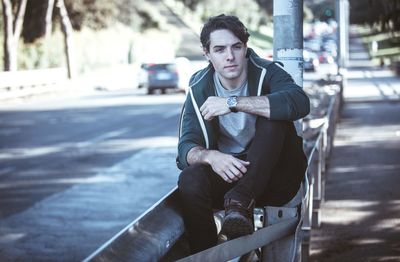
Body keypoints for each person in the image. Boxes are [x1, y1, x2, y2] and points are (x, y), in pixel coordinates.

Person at [176, 14, 310, 254]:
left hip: (275, 179)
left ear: (245, 47)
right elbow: (185, 149)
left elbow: (299, 102)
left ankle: (240, 201)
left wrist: (232, 102)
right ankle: (206, 255)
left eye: (236, 47)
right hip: (230, 178)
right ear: (207, 53)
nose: (230, 56)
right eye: (219, 49)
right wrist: (211, 157)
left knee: (275, 117)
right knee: (190, 179)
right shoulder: (198, 88)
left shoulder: (268, 72)